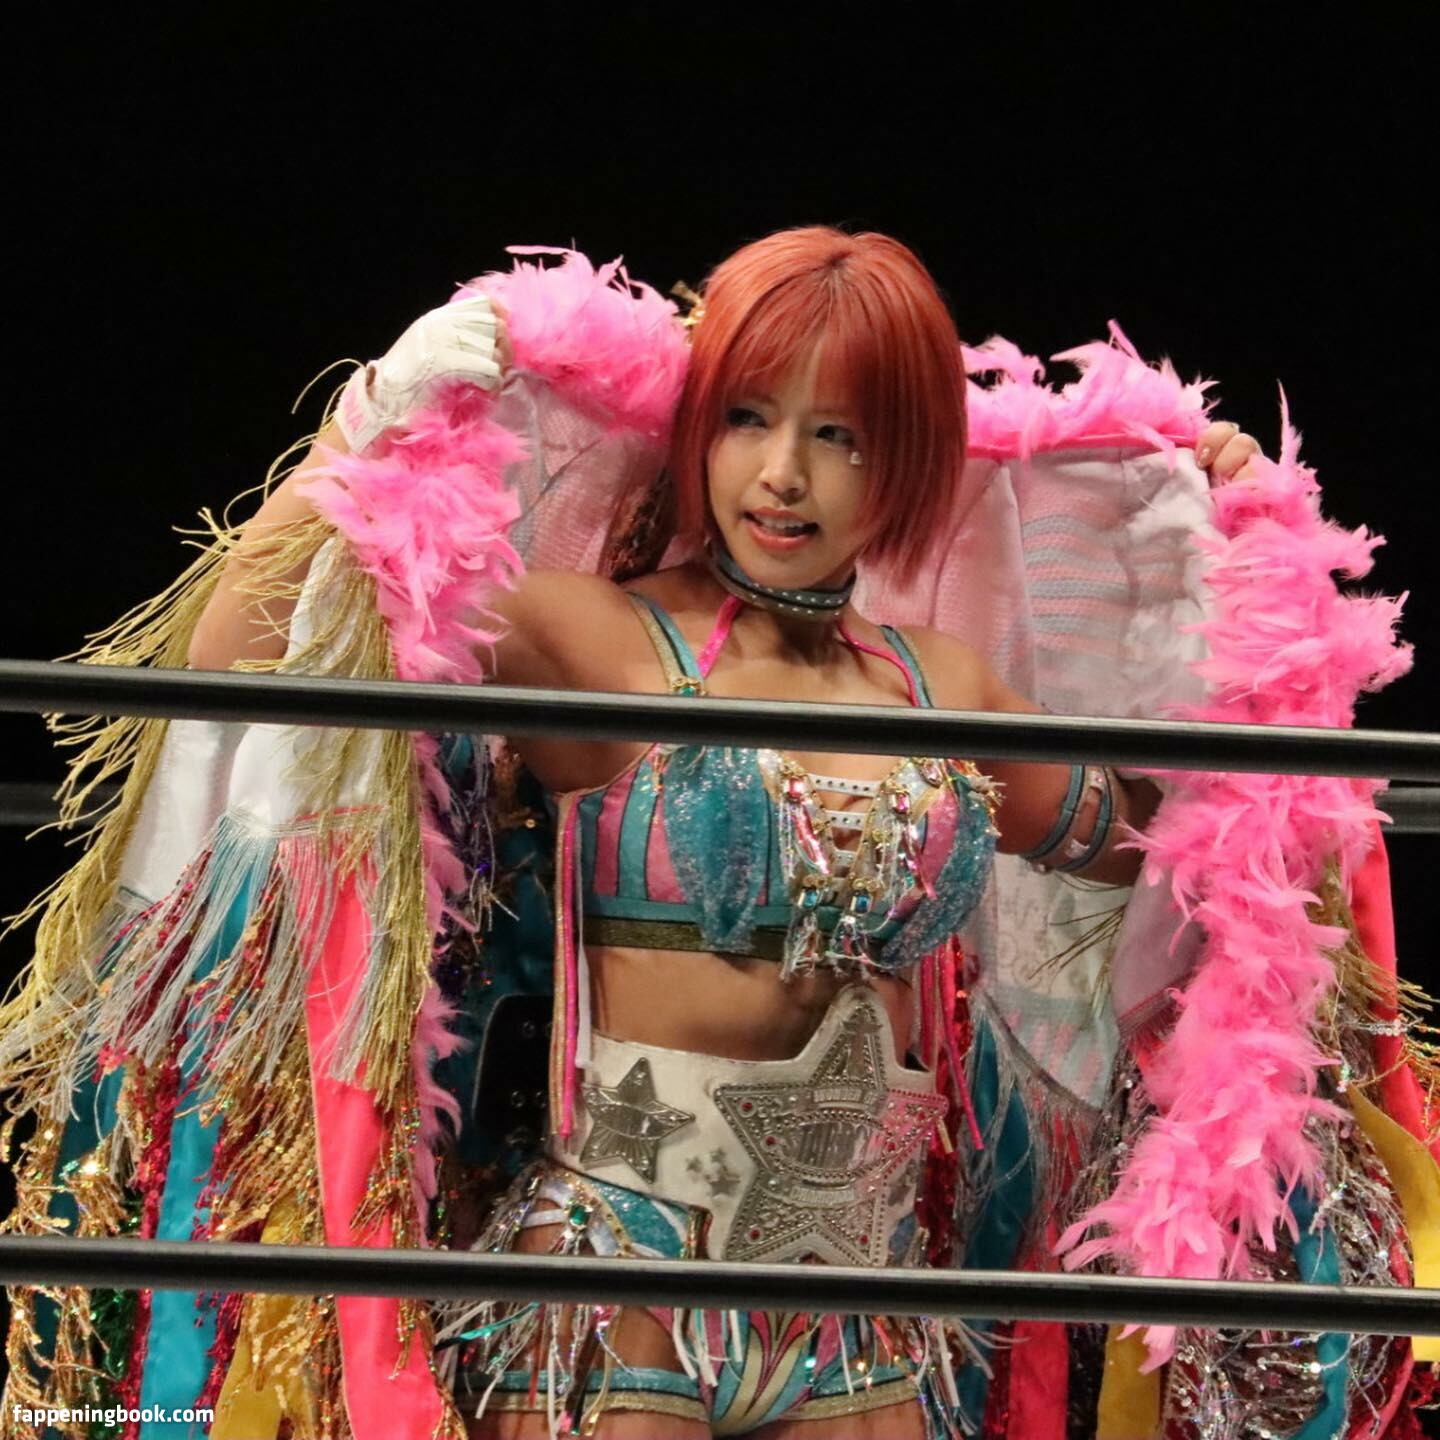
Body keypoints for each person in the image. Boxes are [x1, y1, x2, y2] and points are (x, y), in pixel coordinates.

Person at [0, 229, 1427, 1440]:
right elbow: (246, 655)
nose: (785, 475)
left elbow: (1211, 859)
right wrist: (365, 430)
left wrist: (1259, 577)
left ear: (906, 463)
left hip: (865, 1317)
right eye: (750, 417)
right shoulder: (594, 642)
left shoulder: (944, 691)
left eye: (840, 435)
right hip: (614, 1301)